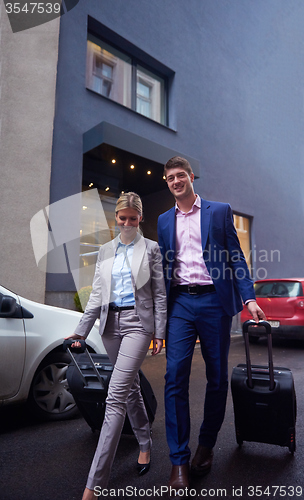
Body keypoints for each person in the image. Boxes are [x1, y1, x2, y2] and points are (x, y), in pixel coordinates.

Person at [157, 157, 266, 491]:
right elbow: (162, 267)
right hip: (179, 303)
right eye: (170, 178)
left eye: (181, 176)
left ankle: (205, 447)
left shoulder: (219, 211)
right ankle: (178, 461)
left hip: (214, 303)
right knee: (174, 376)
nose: (176, 181)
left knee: (216, 378)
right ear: (167, 182)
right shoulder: (163, 220)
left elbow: (236, 257)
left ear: (191, 177)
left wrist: (249, 299)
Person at [66, 192, 167, 500]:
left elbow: (160, 293)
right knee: (131, 387)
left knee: (115, 396)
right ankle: (145, 443)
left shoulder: (151, 249)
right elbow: (97, 295)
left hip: (139, 324)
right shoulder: (106, 250)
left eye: (132, 219)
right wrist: (80, 331)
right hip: (110, 326)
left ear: (140, 219)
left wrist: (159, 331)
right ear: (116, 218)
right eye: (122, 218)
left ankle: (94, 484)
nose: (126, 223)